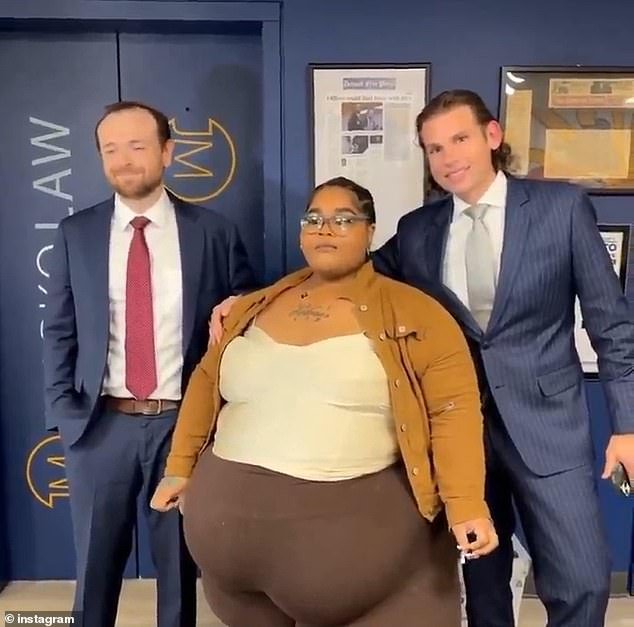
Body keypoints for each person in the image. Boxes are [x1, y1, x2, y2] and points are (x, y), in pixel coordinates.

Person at [151, 176, 498, 627]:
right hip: (229, 560)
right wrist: (179, 467)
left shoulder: (418, 314)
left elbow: (452, 412)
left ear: (370, 231)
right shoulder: (253, 306)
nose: (325, 229)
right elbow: (205, 383)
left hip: (357, 563)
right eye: (313, 219)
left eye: (343, 219)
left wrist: (466, 505)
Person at [373, 90, 634, 627]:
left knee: (583, 581)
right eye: (434, 148)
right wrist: (255, 299)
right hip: (461, 432)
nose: (448, 157)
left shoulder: (561, 209)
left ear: (492, 136)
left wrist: (628, 426)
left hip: (549, 426)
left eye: (459, 139)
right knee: (483, 586)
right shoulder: (418, 230)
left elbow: (611, 326)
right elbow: (354, 276)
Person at [42, 101, 257, 627]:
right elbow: (61, 330)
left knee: (179, 570)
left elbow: (245, 317)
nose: (123, 160)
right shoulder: (76, 233)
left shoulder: (213, 232)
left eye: (137, 146)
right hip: (100, 426)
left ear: (166, 152)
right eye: (110, 149)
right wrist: (65, 414)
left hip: (182, 426)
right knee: (94, 572)